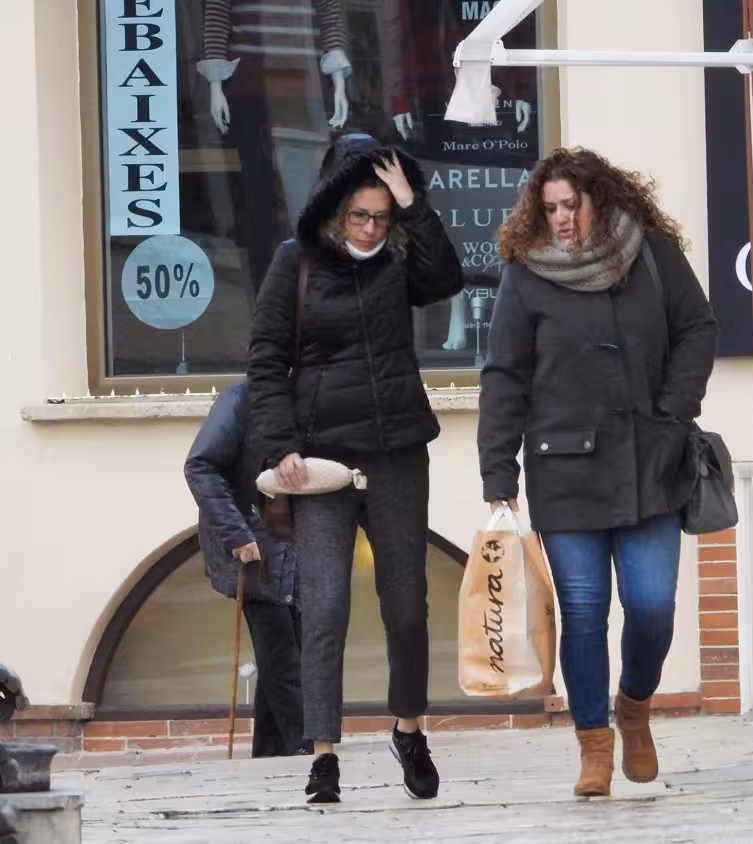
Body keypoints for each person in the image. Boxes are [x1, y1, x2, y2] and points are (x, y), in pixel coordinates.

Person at [478, 147, 719, 797]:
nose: (559, 219)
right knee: (583, 612)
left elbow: (697, 328)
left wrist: (673, 413)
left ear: (599, 200)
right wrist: (497, 473)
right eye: (548, 207)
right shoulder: (524, 274)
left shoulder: (651, 252)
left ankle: (634, 707)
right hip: (565, 471)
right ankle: (593, 745)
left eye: (569, 205)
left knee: (650, 606)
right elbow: (504, 375)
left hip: (651, 462)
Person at [248, 133, 464, 803]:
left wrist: (414, 203)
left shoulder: (403, 256)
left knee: (406, 606)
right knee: (324, 608)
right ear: (335, 210)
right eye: (360, 215)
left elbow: (447, 279)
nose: (372, 227)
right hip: (319, 458)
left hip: (398, 450)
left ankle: (408, 729)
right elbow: (265, 360)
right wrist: (279, 444)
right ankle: (323, 755)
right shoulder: (296, 263)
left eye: (382, 214)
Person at [183, 380, 309, 759]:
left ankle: (271, 754)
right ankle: (306, 746)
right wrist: (237, 534)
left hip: (295, 544)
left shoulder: (309, 396)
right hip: (254, 546)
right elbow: (200, 466)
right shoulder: (238, 401)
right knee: (283, 656)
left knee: (291, 653)